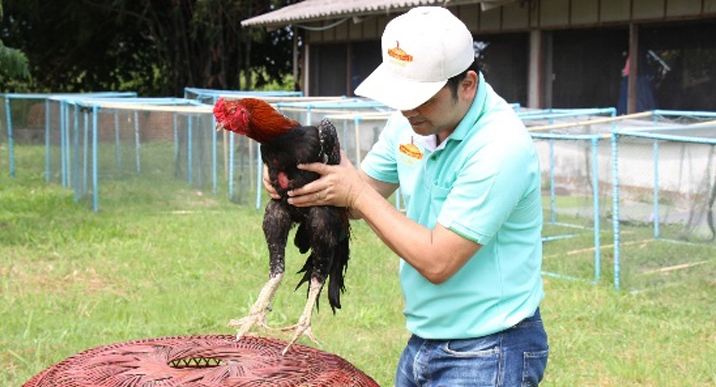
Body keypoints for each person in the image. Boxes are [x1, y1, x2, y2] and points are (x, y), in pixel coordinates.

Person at [267, 6, 549, 386]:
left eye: (422, 97)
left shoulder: (500, 147)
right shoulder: (411, 122)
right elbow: (354, 195)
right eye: (400, 94)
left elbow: (437, 261)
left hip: (489, 349)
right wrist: (294, 182)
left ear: (467, 85)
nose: (407, 108)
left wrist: (354, 194)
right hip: (426, 338)